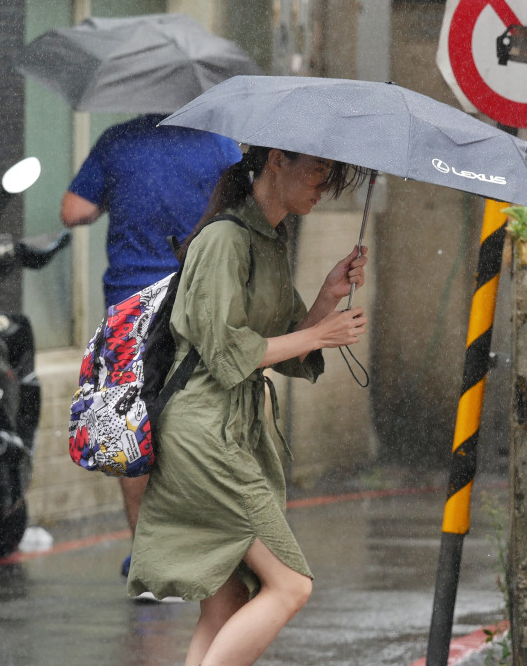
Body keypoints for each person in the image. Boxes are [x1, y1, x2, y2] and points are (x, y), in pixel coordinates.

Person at [127, 145, 369, 666]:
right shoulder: (224, 240)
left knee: (227, 603)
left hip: (230, 429)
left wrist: (327, 297)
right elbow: (226, 351)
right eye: (319, 171)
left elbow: (283, 344)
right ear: (277, 161)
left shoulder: (269, 241)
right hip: (203, 433)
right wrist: (323, 334)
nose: (323, 186)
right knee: (289, 585)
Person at [60, 113, 241, 577]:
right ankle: (200, 548)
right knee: (197, 421)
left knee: (128, 427)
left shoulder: (118, 140)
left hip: (130, 307)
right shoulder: (219, 145)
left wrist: (115, 198)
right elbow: (242, 213)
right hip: (196, 299)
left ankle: (146, 558)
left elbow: (73, 211)